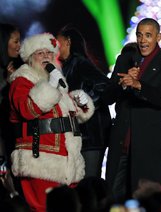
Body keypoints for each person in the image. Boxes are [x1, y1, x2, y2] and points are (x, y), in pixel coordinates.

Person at [8, 32, 94, 211]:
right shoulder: (22, 80)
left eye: (49, 53)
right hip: (40, 161)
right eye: (40, 53)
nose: (46, 56)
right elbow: (27, 109)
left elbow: (63, 112)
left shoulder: (54, 80)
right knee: (43, 208)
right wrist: (50, 87)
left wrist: (79, 103)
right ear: (31, 58)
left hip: (67, 160)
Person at [102, 18, 161, 201]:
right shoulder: (125, 60)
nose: (142, 40)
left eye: (148, 35)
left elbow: (160, 98)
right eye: (139, 35)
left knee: (146, 200)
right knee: (113, 199)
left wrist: (138, 84)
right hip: (121, 144)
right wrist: (121, 84)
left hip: (147, 146)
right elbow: (106, 97)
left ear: (158, 37)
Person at [56, 25, 111, 178]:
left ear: (68, 42)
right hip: (79, 135)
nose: (54, 45)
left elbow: (105, 86)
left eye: (57, 41)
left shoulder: (79, 63)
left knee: (90, 182)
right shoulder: (64, 67)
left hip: (92, 134)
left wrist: (84, 106)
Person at [0, 22, 23, 200]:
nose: (19, 46)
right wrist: (6, 83)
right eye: (15, 41)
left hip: (14, 134)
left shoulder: (18, 67)